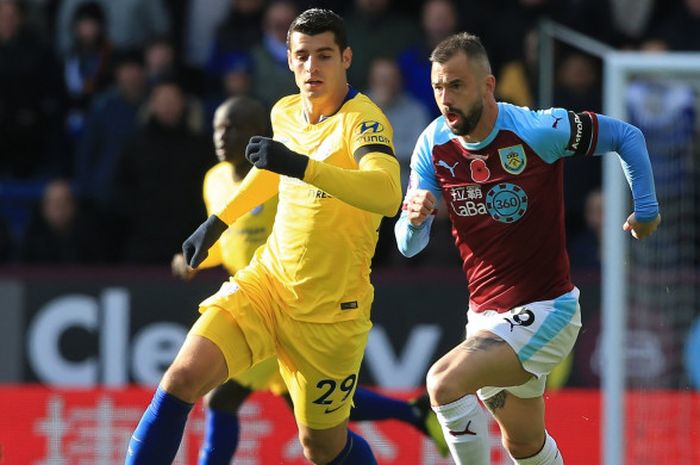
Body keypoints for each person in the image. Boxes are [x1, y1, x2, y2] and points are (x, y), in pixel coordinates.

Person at [125, 9, 408, 465]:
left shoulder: (363, 120)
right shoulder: (286, 111)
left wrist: (300, 165)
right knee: (182, 379)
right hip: (266, 286)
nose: (313, 67)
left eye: (325, 56)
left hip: (330, 314)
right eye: (303, 57)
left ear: (347, 58)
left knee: (322, 449)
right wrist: (216, 222)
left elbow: (388, 193)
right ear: (291, 62)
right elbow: (267, 175)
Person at [395, 32, 660, 465]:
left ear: (488, 85)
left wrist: (646, 209)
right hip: (484, 318)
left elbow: (626, 136)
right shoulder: (433, 144)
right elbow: (407, 246)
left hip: (547, 311)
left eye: (457, 85)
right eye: (438, 87)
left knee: (442, 382)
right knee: (525, 445)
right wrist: (415, 218)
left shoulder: (538, 129)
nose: (446, 99)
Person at [171, 96, 447, 464]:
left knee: (222, 398)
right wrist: (197, 259)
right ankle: (412, 412)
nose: (222, 136)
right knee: (313, 419)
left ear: (260, 134)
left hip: (288, 300)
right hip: (253, 297)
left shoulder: (282, 179)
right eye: (218, 127)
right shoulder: (214, 181)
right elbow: (233, 241)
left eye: (234, 127)